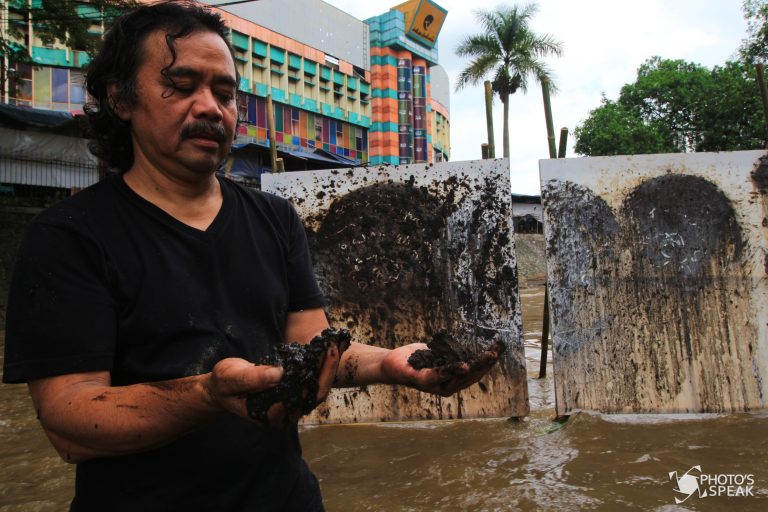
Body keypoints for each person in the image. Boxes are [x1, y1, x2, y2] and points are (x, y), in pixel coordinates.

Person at [2, 1, 501, 511]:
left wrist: (395, 364)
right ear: (120, 98)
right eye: (181, 84)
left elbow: (314, 347)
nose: (209, 107)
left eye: (224, 93)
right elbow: (70, 423)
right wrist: (206, 395)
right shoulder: (68, 237)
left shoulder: (275, 219)